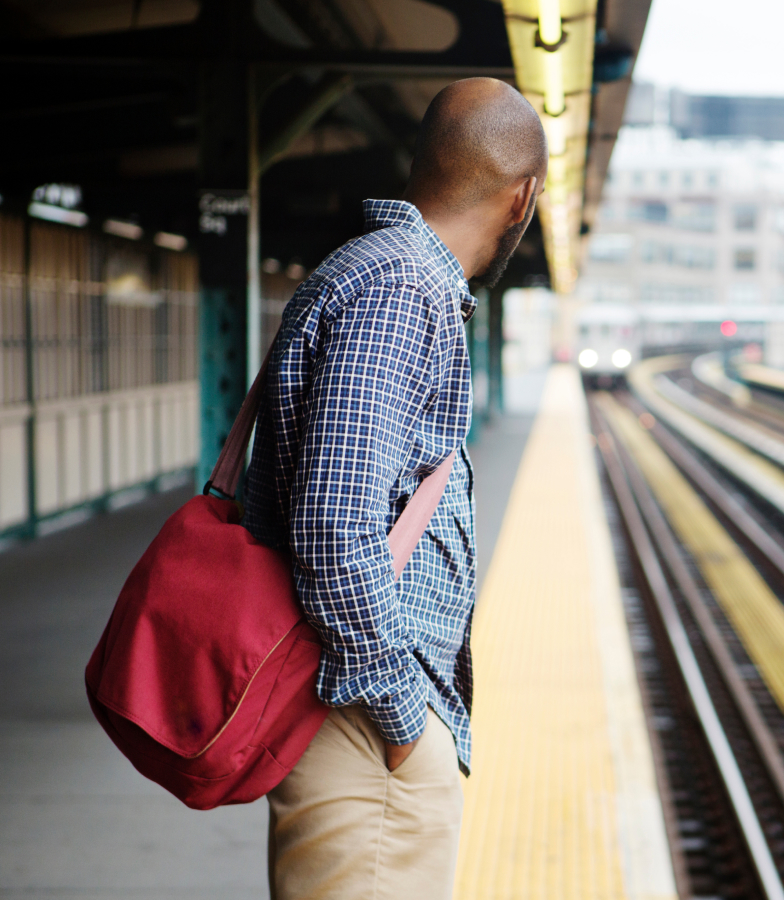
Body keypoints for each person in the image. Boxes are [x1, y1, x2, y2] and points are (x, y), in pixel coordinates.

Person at [242, 77, 548, 899]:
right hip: (361, 729)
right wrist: (406, 721)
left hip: (354, 721)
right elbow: (336, 523)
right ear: (522, 197)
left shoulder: (382, 277)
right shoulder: (399, 290)